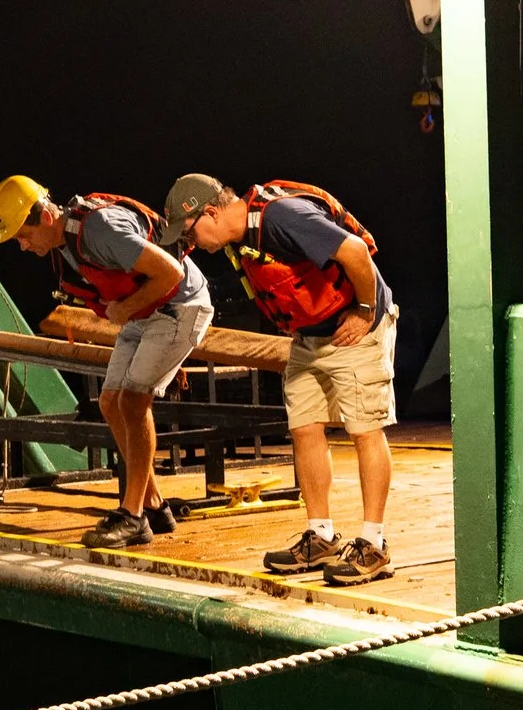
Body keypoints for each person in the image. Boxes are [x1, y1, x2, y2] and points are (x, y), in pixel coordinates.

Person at [166, 174, 397, 587]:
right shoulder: (240, 239)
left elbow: (357, 252)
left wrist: (364, 311)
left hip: (356, 327)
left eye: (189, 231)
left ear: (212, 212)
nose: (190, 243)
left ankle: (374, 544)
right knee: (304, 427)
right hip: (311, 337)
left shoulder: (283, 217)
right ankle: (321, 535)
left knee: (365, 429)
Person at [0, 176, 213, 549]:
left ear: (44, 216)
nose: (23, 246)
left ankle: (133, 516)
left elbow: (170, 272)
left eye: (22, 236)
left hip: (178, 307)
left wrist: (123, 308)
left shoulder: (99, 230)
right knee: (111, 402)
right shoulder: (66, 246)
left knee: (133, 401)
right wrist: (125, 310)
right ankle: (154, 505)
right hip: (144, 313)